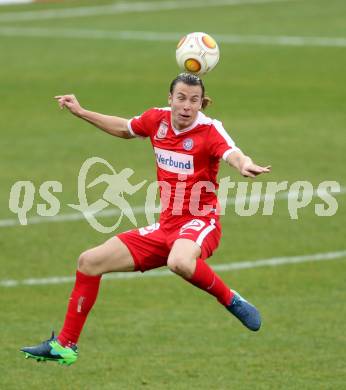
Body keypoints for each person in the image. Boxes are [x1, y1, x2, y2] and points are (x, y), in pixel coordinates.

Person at [21, 73, 271, 366]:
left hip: (200, 222)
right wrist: (81, 111)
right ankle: (65, 345)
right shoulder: (157, 120)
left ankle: (230, 299)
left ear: (201, 104)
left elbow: (232, 152)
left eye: (194, 100)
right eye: (181, 98)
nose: (186, 106)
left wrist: (244, 164)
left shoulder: (210, 130)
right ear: (170, 99)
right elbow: (124, 128)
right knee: (89, 261)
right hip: (166, 227)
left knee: (179, 261)